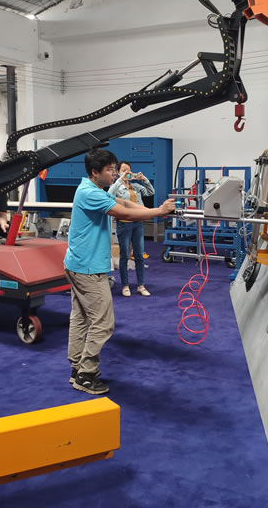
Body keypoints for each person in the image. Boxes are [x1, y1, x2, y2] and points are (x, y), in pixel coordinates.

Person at [65, 148, 175, 395]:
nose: (114, 174)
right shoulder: (89, 193)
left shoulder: (93, 190)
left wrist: (156, 209)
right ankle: (86, 374)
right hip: (88, 268)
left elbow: (125, 203)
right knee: (103, 323)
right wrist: (159, 212)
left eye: (114, 169)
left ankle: (77, 368)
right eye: (109, 170)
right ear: (95, 172)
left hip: (79, 264)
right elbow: (123, 213)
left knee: (81, 318)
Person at [107, 161, 154, 297]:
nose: (127, 173)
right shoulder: (116, 187)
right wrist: (120, 180)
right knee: (124, 256)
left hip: (137, 223)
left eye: (129, 170)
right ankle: (125, 285)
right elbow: (108, 195)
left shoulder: (136, 186)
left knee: (139, 255)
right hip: (124, 224)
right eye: (124, 170)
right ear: (118, 172)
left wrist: (144, 179)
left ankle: (141, 285)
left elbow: (151, 192)